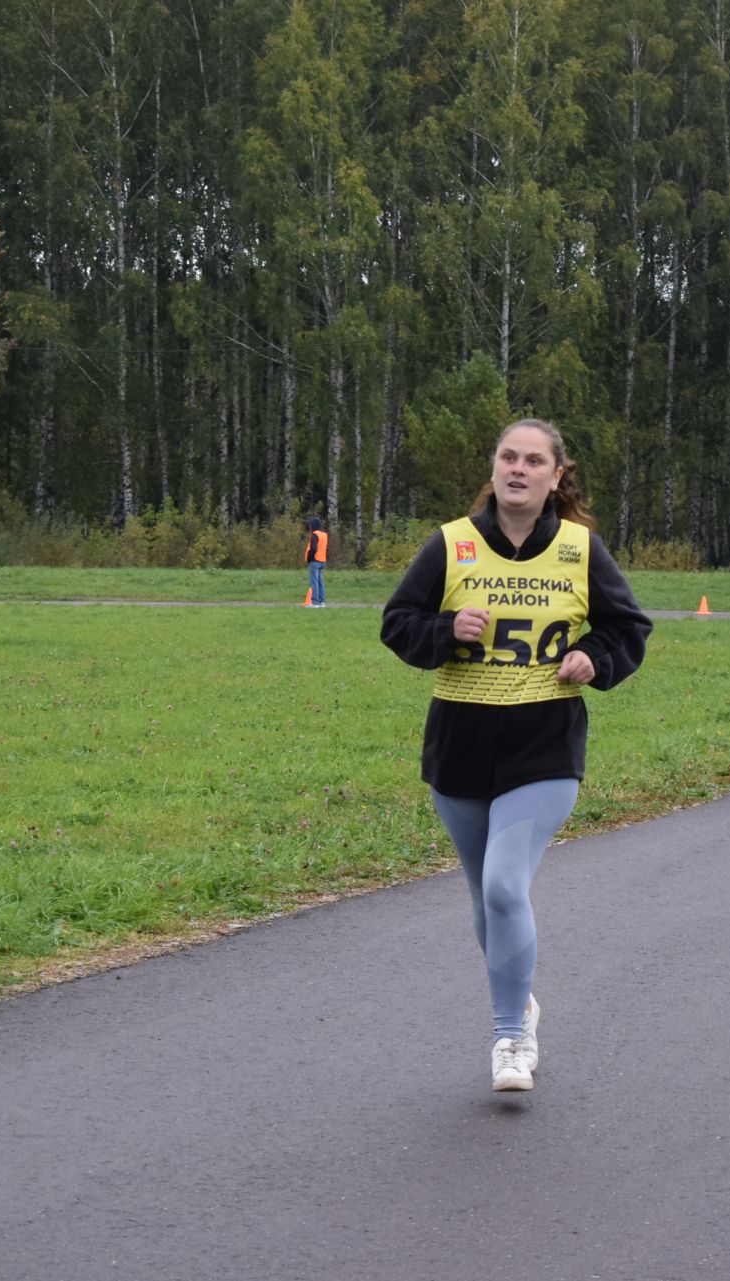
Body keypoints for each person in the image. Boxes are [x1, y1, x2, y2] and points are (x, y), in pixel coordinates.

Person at [381, 418, 651, 1092]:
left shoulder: (581, 550)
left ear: (557, 476)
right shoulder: (452, 544)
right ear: (494, 468)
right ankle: (522, 997)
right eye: (508, 456)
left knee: (505, 885)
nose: (519, 469)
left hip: (544, 744)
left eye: (535, 460)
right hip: (461, 746)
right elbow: (397, 624)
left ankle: (511, 1036)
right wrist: (445, 630)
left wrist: (595, 656)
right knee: (485, 900)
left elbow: (628, 627)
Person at [304, 516, 328, 607]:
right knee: (320, 581)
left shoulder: (315, 534)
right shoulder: (324, 534)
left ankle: (315, 602)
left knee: (314, 581)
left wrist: (309, 558)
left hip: (315, 560)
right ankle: (322, 602)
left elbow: (313, 548)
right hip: (322, 560)